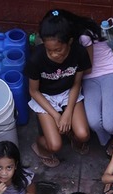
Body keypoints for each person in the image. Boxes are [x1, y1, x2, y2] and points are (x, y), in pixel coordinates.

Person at [26, 9, 91, 167]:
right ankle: (39, 146)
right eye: (50, 50)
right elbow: (33, 91)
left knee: (83, 135)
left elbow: (77, 83)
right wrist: (56, 116)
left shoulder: (79, 52)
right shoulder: (36, 59)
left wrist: (68, 112)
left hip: (68, 92)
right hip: (45, 96)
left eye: (58, 50)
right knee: (55, 145)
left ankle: (71, 135)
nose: (54, 55)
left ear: (69, 41)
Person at [76, 11, 113, 157]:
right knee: (94, 123)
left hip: (108, 72)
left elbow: (88, 67)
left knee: (109, 123)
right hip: (89, 78)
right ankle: (107, 141)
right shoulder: (66, 42)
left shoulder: (83, 37)